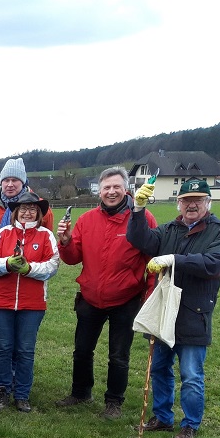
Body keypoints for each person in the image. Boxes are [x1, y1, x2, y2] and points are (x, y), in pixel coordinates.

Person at [129, 178, 220, 438]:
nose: (192, 205)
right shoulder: (169, 229)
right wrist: (138, 210)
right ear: (179, 203)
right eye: (187, 200)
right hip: (165, 311)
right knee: (160, 368)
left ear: (208, 203)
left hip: (194, 312)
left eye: (198, 200)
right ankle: (162, 417)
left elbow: (214, 264)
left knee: (191, 375)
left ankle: (190, 425)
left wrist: (174, 259)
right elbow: (140, 239)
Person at [55, 167, 157, 419]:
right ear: (99, 191)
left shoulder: (143, 218)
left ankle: (114, 402)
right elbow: (72, 259)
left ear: (126, 189)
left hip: (126, 299)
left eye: (116, 187)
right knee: (81, 350)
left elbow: (153, 259)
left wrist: (150, 295)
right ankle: (80, 393)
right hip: (90, 298)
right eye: (106, 188)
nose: (111, 192)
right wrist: (66, 241)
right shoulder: (87, 220)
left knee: (118, 355)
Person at [0, 192, 59, 413]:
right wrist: (7, 264)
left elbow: (52, 266)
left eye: (32, 209)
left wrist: (29, 269)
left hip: (32, 304)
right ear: (16, 211)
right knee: (3, 348)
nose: (27, 212)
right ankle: (3, 391)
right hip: (1, 302)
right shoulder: (4, 233)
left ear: (39, 212)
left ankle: (22, 394)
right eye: (23, 208)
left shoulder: (46, 235)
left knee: (25, 350)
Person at [0, 157, 55, 239]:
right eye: (6, 180)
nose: (10, 184)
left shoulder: (40, 207)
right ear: (1, 182)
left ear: (23, 182)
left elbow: (47, 241)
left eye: (14, 180)